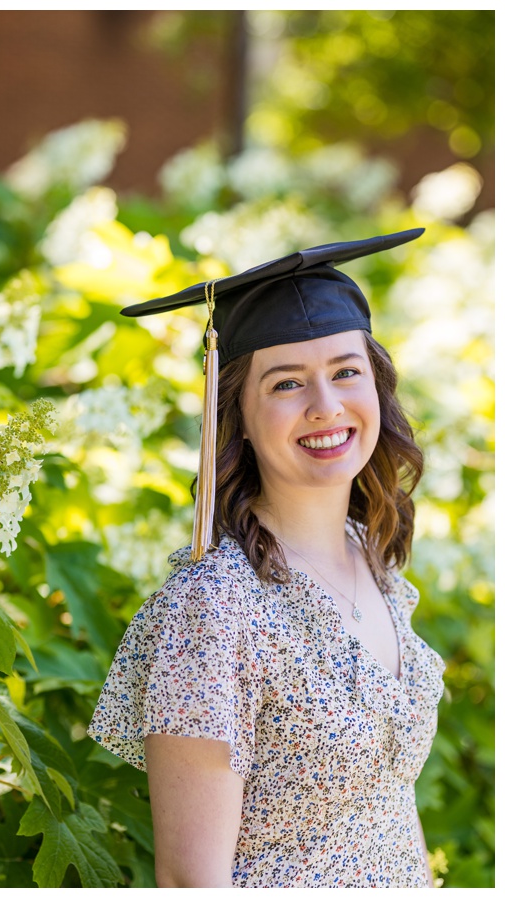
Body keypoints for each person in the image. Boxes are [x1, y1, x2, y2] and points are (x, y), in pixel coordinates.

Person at [88, 230, 444, 887]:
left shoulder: (374, 562)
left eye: (345, 372)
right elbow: (191, 882)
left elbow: (390, 803)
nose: (326, 406)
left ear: (376, 386)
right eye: (287, 384)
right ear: (240, 415)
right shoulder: (212, 610)